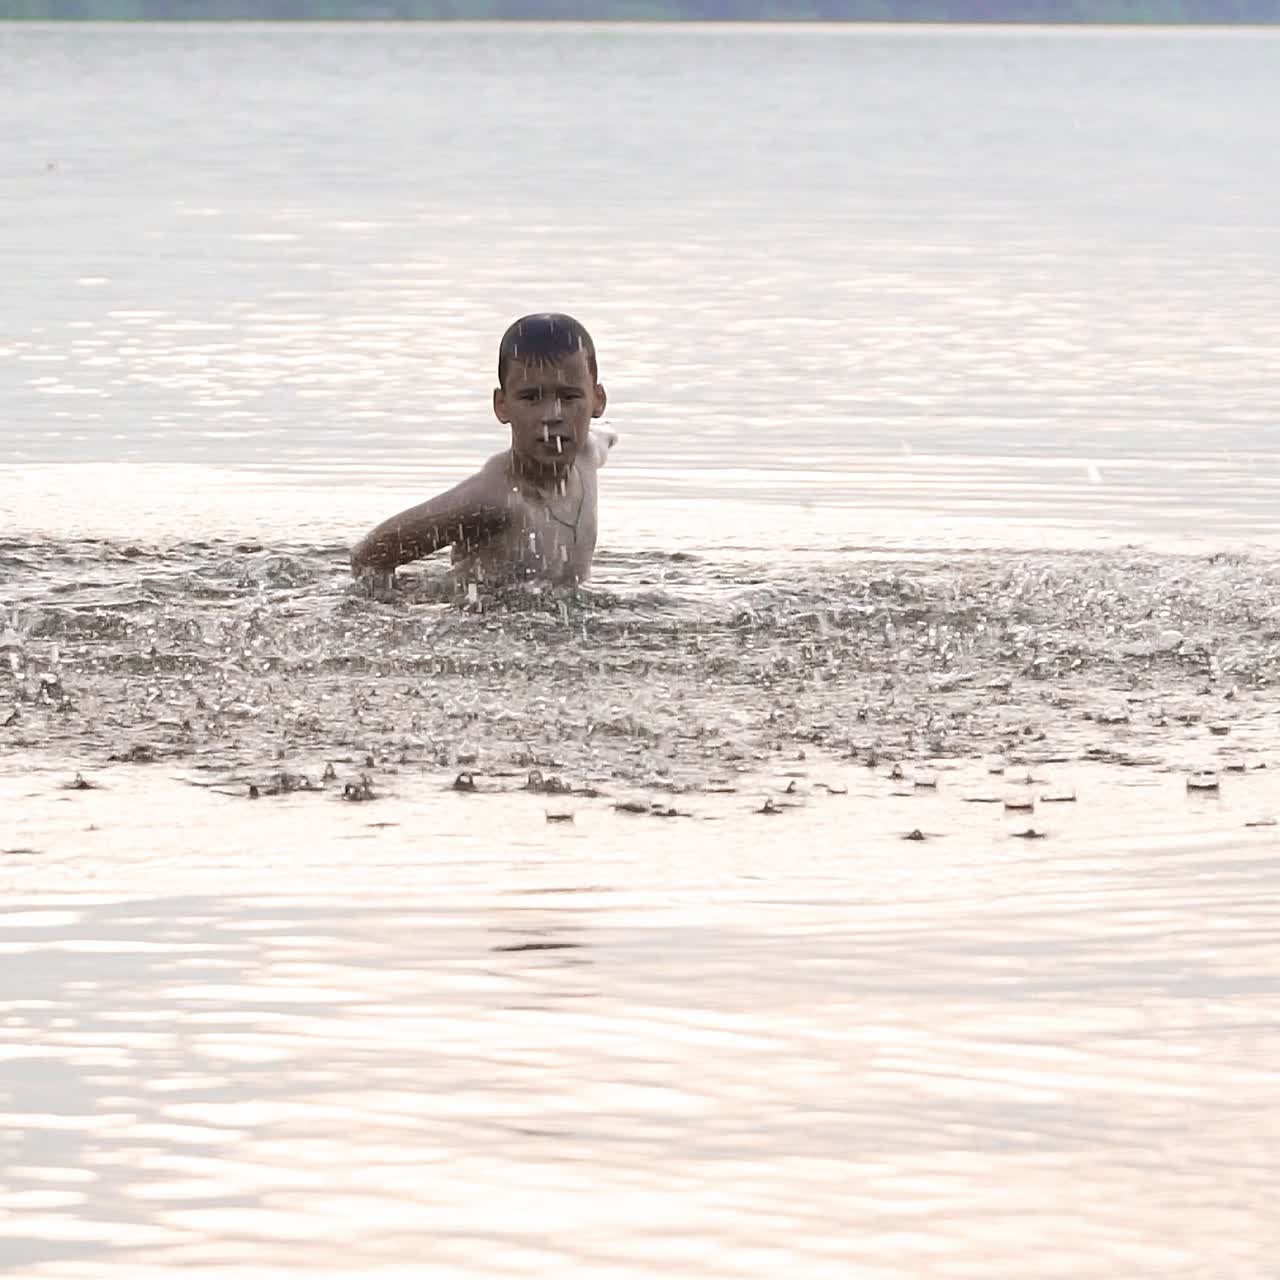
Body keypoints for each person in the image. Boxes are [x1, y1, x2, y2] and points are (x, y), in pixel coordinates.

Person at [350, 313, 617, 591]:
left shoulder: (588, 453)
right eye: (531, 397)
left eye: (569, 397)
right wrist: (398, 613)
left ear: (597, 401)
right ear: (502, 406)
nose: (552, 415)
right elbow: (368, 555)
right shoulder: (494, 499)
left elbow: (608, 434)